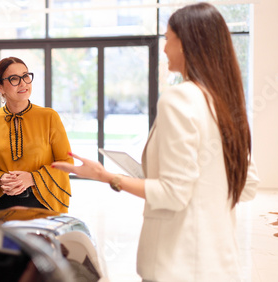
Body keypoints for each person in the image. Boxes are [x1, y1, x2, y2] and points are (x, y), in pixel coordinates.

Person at [52, 3, 260, 281]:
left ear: (186, 44)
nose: (163, 49)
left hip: (177, 263)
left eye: (168, 38)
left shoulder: (180, 98)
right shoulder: (225, 102)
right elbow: (247, 186)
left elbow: (174, 193)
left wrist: (106, 176)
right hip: (220, 263)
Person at [0, 57, 73, 213]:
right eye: (14, 79)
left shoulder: (48, 116)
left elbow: (66, 162)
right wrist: (0, 179)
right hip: (1, 206)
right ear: (0, 86)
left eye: (25, 76)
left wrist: (32, 178)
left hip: (43, 204)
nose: (23, 83)